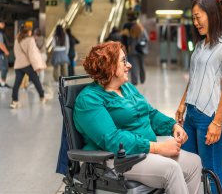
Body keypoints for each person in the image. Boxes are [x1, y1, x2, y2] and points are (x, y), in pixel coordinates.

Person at [74, 41, 202, 194]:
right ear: (110, 67)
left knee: (194, 163)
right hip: (118, 159)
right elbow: (112, 139)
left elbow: (150, 113)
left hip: (144, 150)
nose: (129, 66)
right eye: (123, 61)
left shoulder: (126, 88)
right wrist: (156, 147)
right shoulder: (89, 100)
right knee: (171, 170)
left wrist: (173, 125)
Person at [175, 0, 222, 194]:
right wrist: (182, 103)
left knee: (212, 173)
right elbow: (194, 77)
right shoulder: (201, 45)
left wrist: (217, 122)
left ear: (211, 14)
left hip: (209, 117)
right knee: (190, 168)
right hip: (192, 115)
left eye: (198, 16)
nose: (195, 23)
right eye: (193, 18)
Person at [11, 26, 46, 108]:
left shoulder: (17, 40)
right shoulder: (30, 40)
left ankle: (14, 101)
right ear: (28, 32)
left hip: (18, 64)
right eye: (30, 31)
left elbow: (15, 53)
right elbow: (32, 54)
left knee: (17, 83)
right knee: (36, 80)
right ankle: (42, 97)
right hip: (27, 65)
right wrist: (37, 66)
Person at [0, 21, 11, 88]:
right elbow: (0, 44)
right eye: (2, 23)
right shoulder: (0, 32)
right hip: (1, 53)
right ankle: (3, 84)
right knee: (4, 68)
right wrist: (6, 51)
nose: (3, 25)